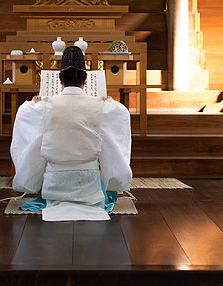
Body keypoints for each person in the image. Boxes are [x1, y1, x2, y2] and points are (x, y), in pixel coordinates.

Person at [10, 46, 132, 221]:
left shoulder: (44, 106)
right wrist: (110, 102)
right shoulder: (100, 106)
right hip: (89, 185)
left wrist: (32, 103)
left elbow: (24, 117)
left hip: (55, 186)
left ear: (60, 79)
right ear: (86, 79)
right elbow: (121, 116)